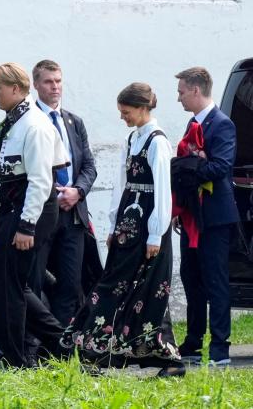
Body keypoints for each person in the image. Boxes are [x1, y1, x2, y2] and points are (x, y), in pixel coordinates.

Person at [60, 83, 184, 377]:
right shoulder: (133, 139)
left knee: (148, 290)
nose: (122, 117)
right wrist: (116, 225)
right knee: (117, 285)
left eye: (125, 111)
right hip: (129, 227)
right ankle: (107, 353)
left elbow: (163, 192)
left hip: (148, 227)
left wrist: (156, 234)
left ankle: (109, 354)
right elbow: (122, 185)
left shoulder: (157, 142)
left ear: (142, 108)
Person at [0, 62, 68, 368]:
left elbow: (41, 181)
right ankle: (61, 344)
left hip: (33, 210)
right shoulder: (15, 121)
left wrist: (26, 226)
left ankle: (18, 359)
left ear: (15, 89)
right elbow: (4, 174)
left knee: (10, 285)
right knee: (11, 284)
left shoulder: (35, 125)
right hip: (15, 206)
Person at [175, 67, 239, 366]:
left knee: (215, 281)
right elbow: (186, 166)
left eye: (182, 91)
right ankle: (193, 343)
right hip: (191, 216)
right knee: (191, 279)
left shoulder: (222, 124)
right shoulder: (192, 123)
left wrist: (191, 167)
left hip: (214, 217)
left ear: (196, 90)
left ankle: (220, 348)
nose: (179, 98)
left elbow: (221, 167)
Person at [30, 59, 97, 326]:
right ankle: (32, 344)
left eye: (58, 81)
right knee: (33, 282)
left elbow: (90, 166)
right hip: (42, 212)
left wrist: (77, 191)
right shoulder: (29, 121)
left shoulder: (74, 122)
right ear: (36, 85)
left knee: (70, 283)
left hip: (73, 214)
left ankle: (60, 346)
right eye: (48, 81)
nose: (55, 87)